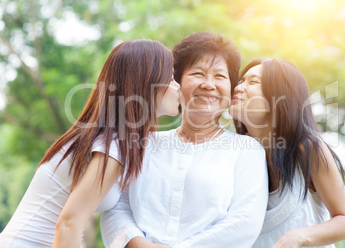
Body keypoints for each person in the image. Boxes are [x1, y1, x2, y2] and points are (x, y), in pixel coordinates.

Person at [0, 39, 181, 248]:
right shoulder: (113, 145)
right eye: (171, 78)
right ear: (148, 83)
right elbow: (69, 224)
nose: (178, 87)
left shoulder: (112, 139)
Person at [100, 32, 269, 248]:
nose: (209, 84)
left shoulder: (247, 150)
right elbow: (116, 207)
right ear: (176, 82)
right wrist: (139, 244)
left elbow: (245, 222)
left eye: (219, 76)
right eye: (198, 74)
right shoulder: (142, 143)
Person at [229, 58, 345, 248]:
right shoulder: (235, 157)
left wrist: (296, 237)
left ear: (279, 96)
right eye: (241, 81)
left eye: (253, 82)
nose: (238, 88)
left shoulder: (307, 149)